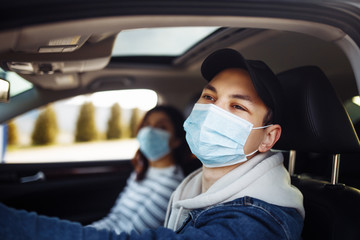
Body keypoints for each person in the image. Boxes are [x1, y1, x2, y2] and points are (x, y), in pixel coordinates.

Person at [0, 48, 304, 240]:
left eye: (237, 107)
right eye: (209, 97)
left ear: (268, 137)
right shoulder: (194, 187)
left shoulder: (256, 220)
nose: (213, 112)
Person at [89, 105, 191, 234]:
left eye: (161, 127)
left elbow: (131, 234)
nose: (150, 131)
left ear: (176, 140)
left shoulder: (171, 185)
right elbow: (115, 217)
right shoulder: (141, 171)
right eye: (147, 125)